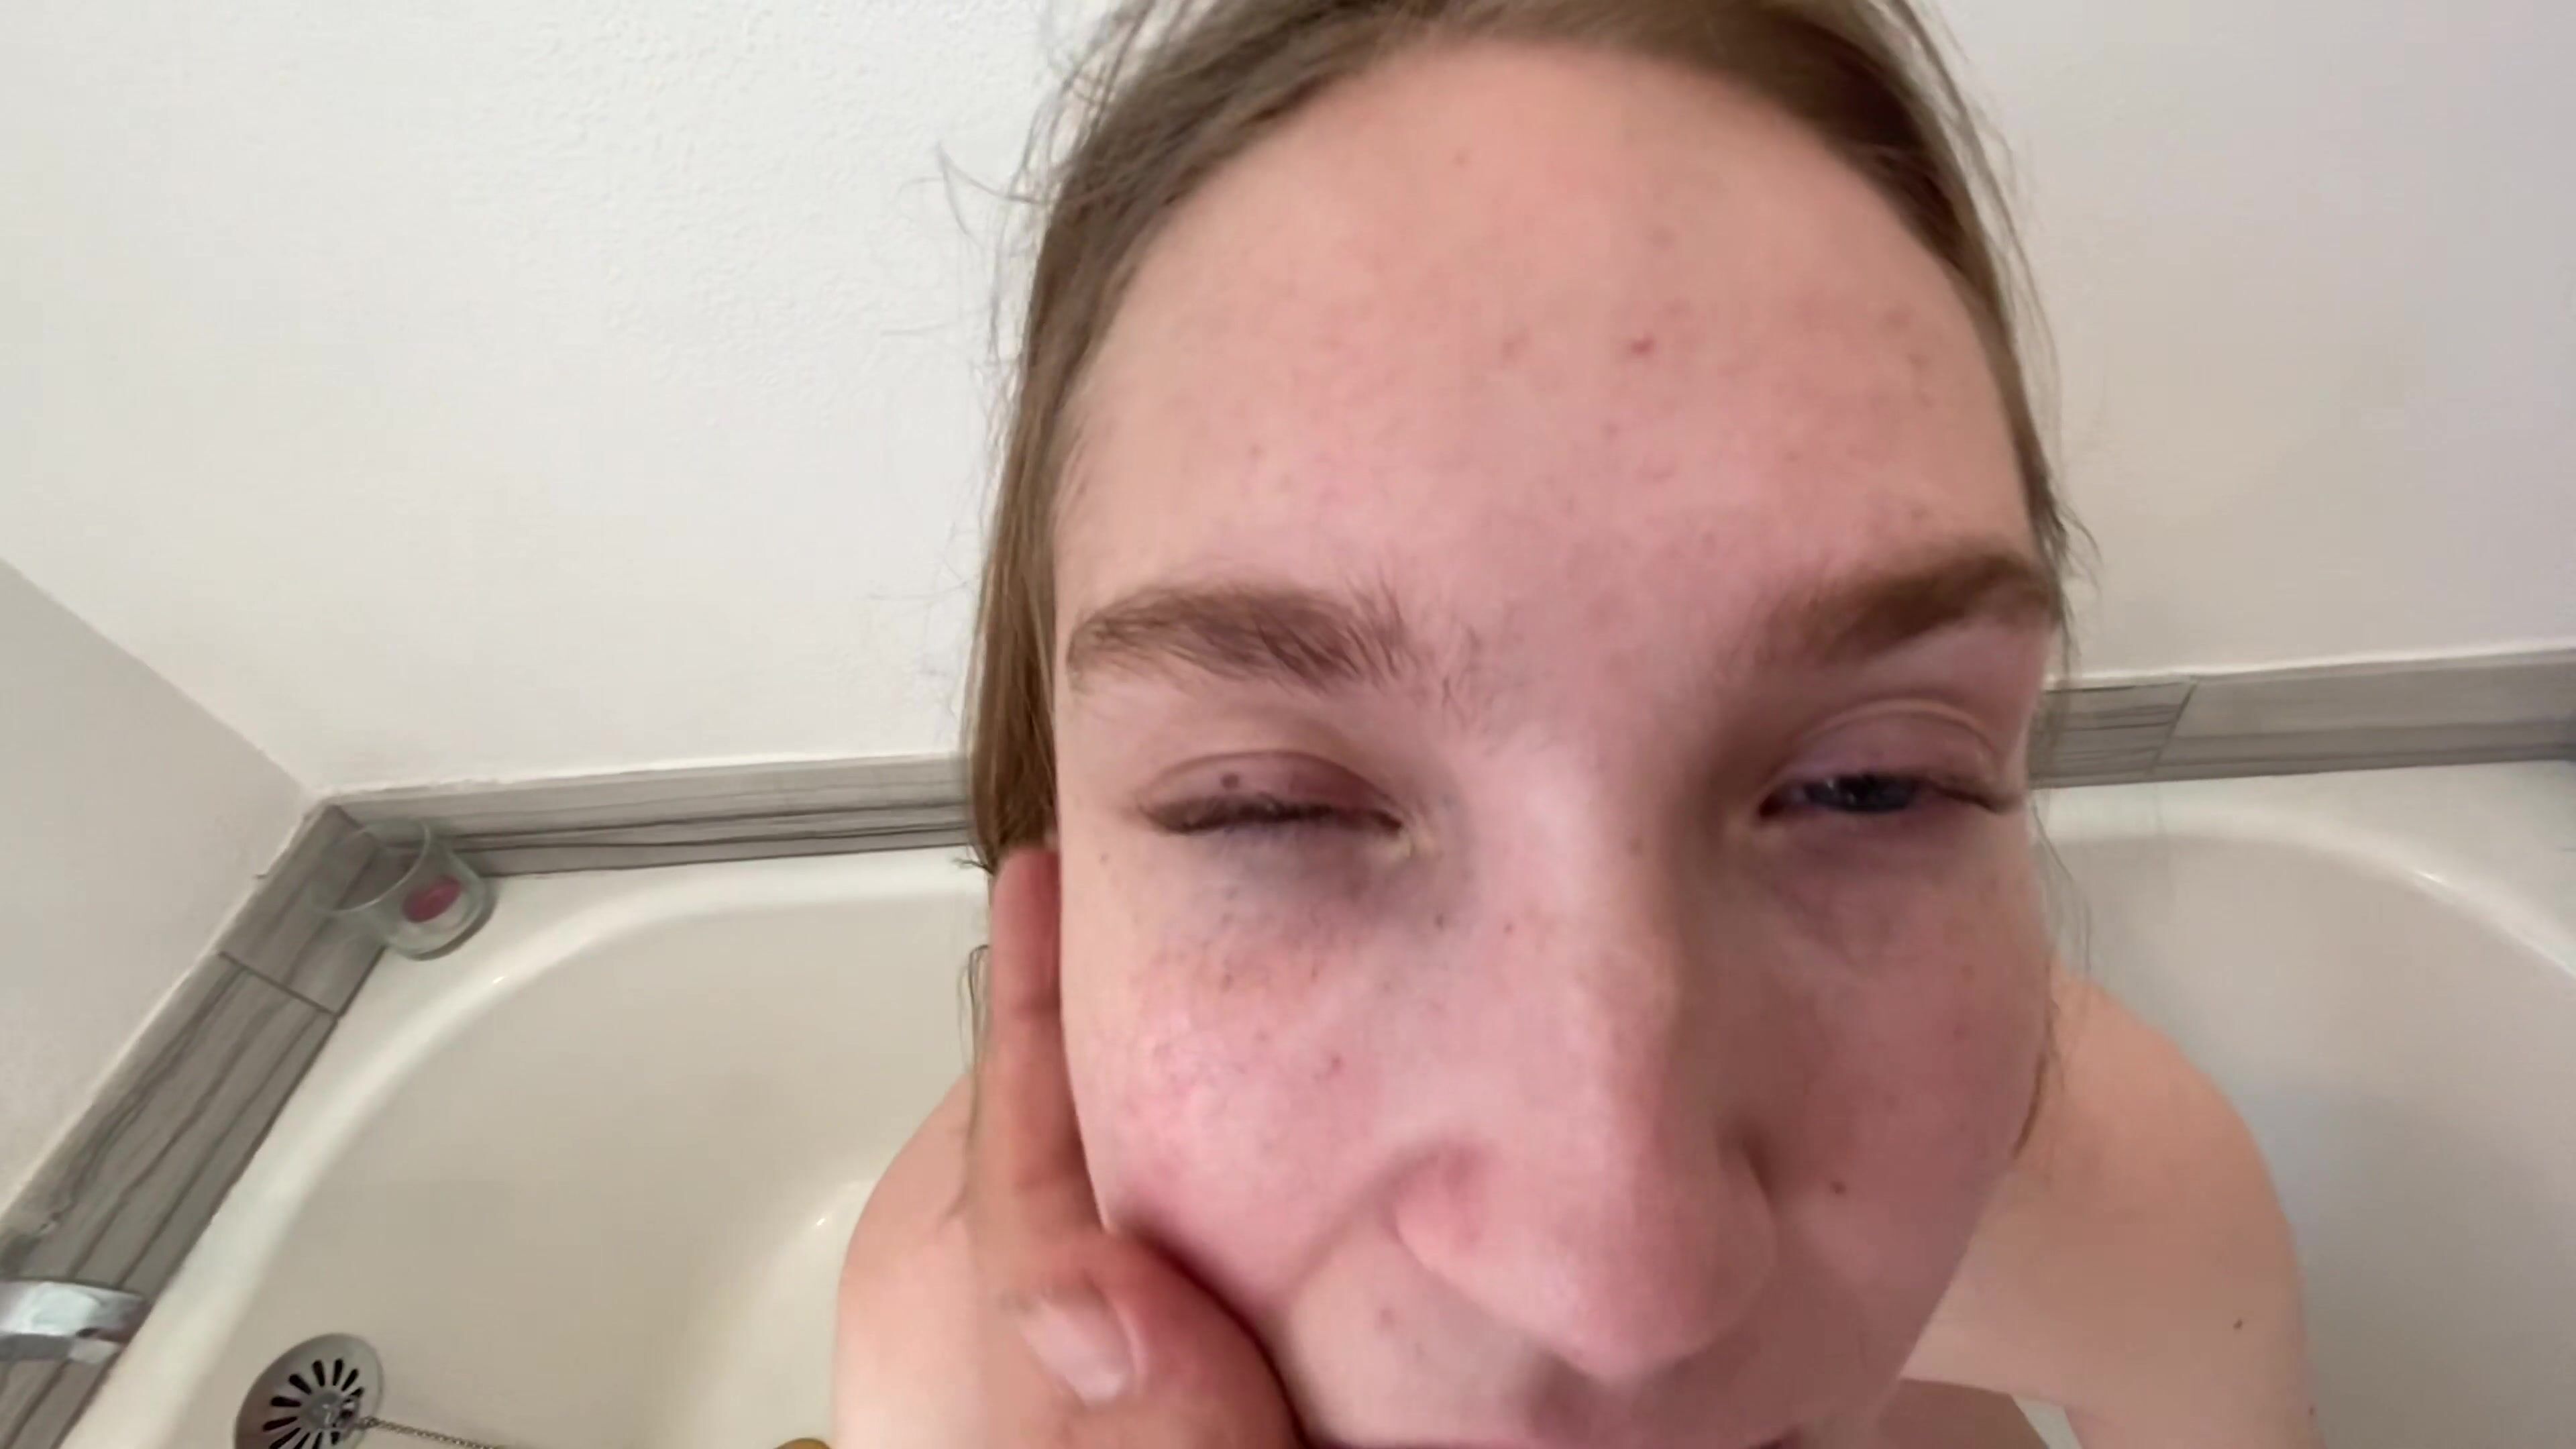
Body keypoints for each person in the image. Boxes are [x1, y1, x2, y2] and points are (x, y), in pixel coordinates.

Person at [837, 2, 2322, 1444]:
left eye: (1871, 786)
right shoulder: (938, 1369)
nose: (1627, 1289)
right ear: (1050, 842)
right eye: (1271, 807)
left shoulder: (2131, 1213)